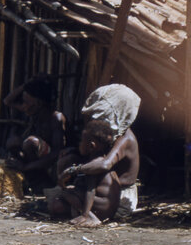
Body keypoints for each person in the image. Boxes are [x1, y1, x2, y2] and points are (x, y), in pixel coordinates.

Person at [55, 84, 141, 217]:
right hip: (99, 191)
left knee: (58, 205)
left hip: (117, 197)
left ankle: (87, 214)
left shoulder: (125, 138)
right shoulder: (105, 132)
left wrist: (72, 170)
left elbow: (104, 165)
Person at [49, 119, 123, 227]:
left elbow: (90, 190)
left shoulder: (93, 165)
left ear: (91, 146)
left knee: (66, 193)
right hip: (109, 209)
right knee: (68, 193)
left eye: (81, 141)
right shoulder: (100, 160)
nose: (79, 144)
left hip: (103, 208)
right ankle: (87, 213)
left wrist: (84, 214)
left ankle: (90, 217)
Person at [2, 74, 67, 191]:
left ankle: (41, 181)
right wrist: (28, 84)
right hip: (36, 159)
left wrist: (26, 167)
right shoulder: (33, 110)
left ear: (39, 103)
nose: (24, 106)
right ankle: (25, 177)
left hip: (51, 165)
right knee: (13, 141)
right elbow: (7, 101)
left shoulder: (56, 118)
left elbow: (57, 153)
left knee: (30, 142)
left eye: (27, 102)